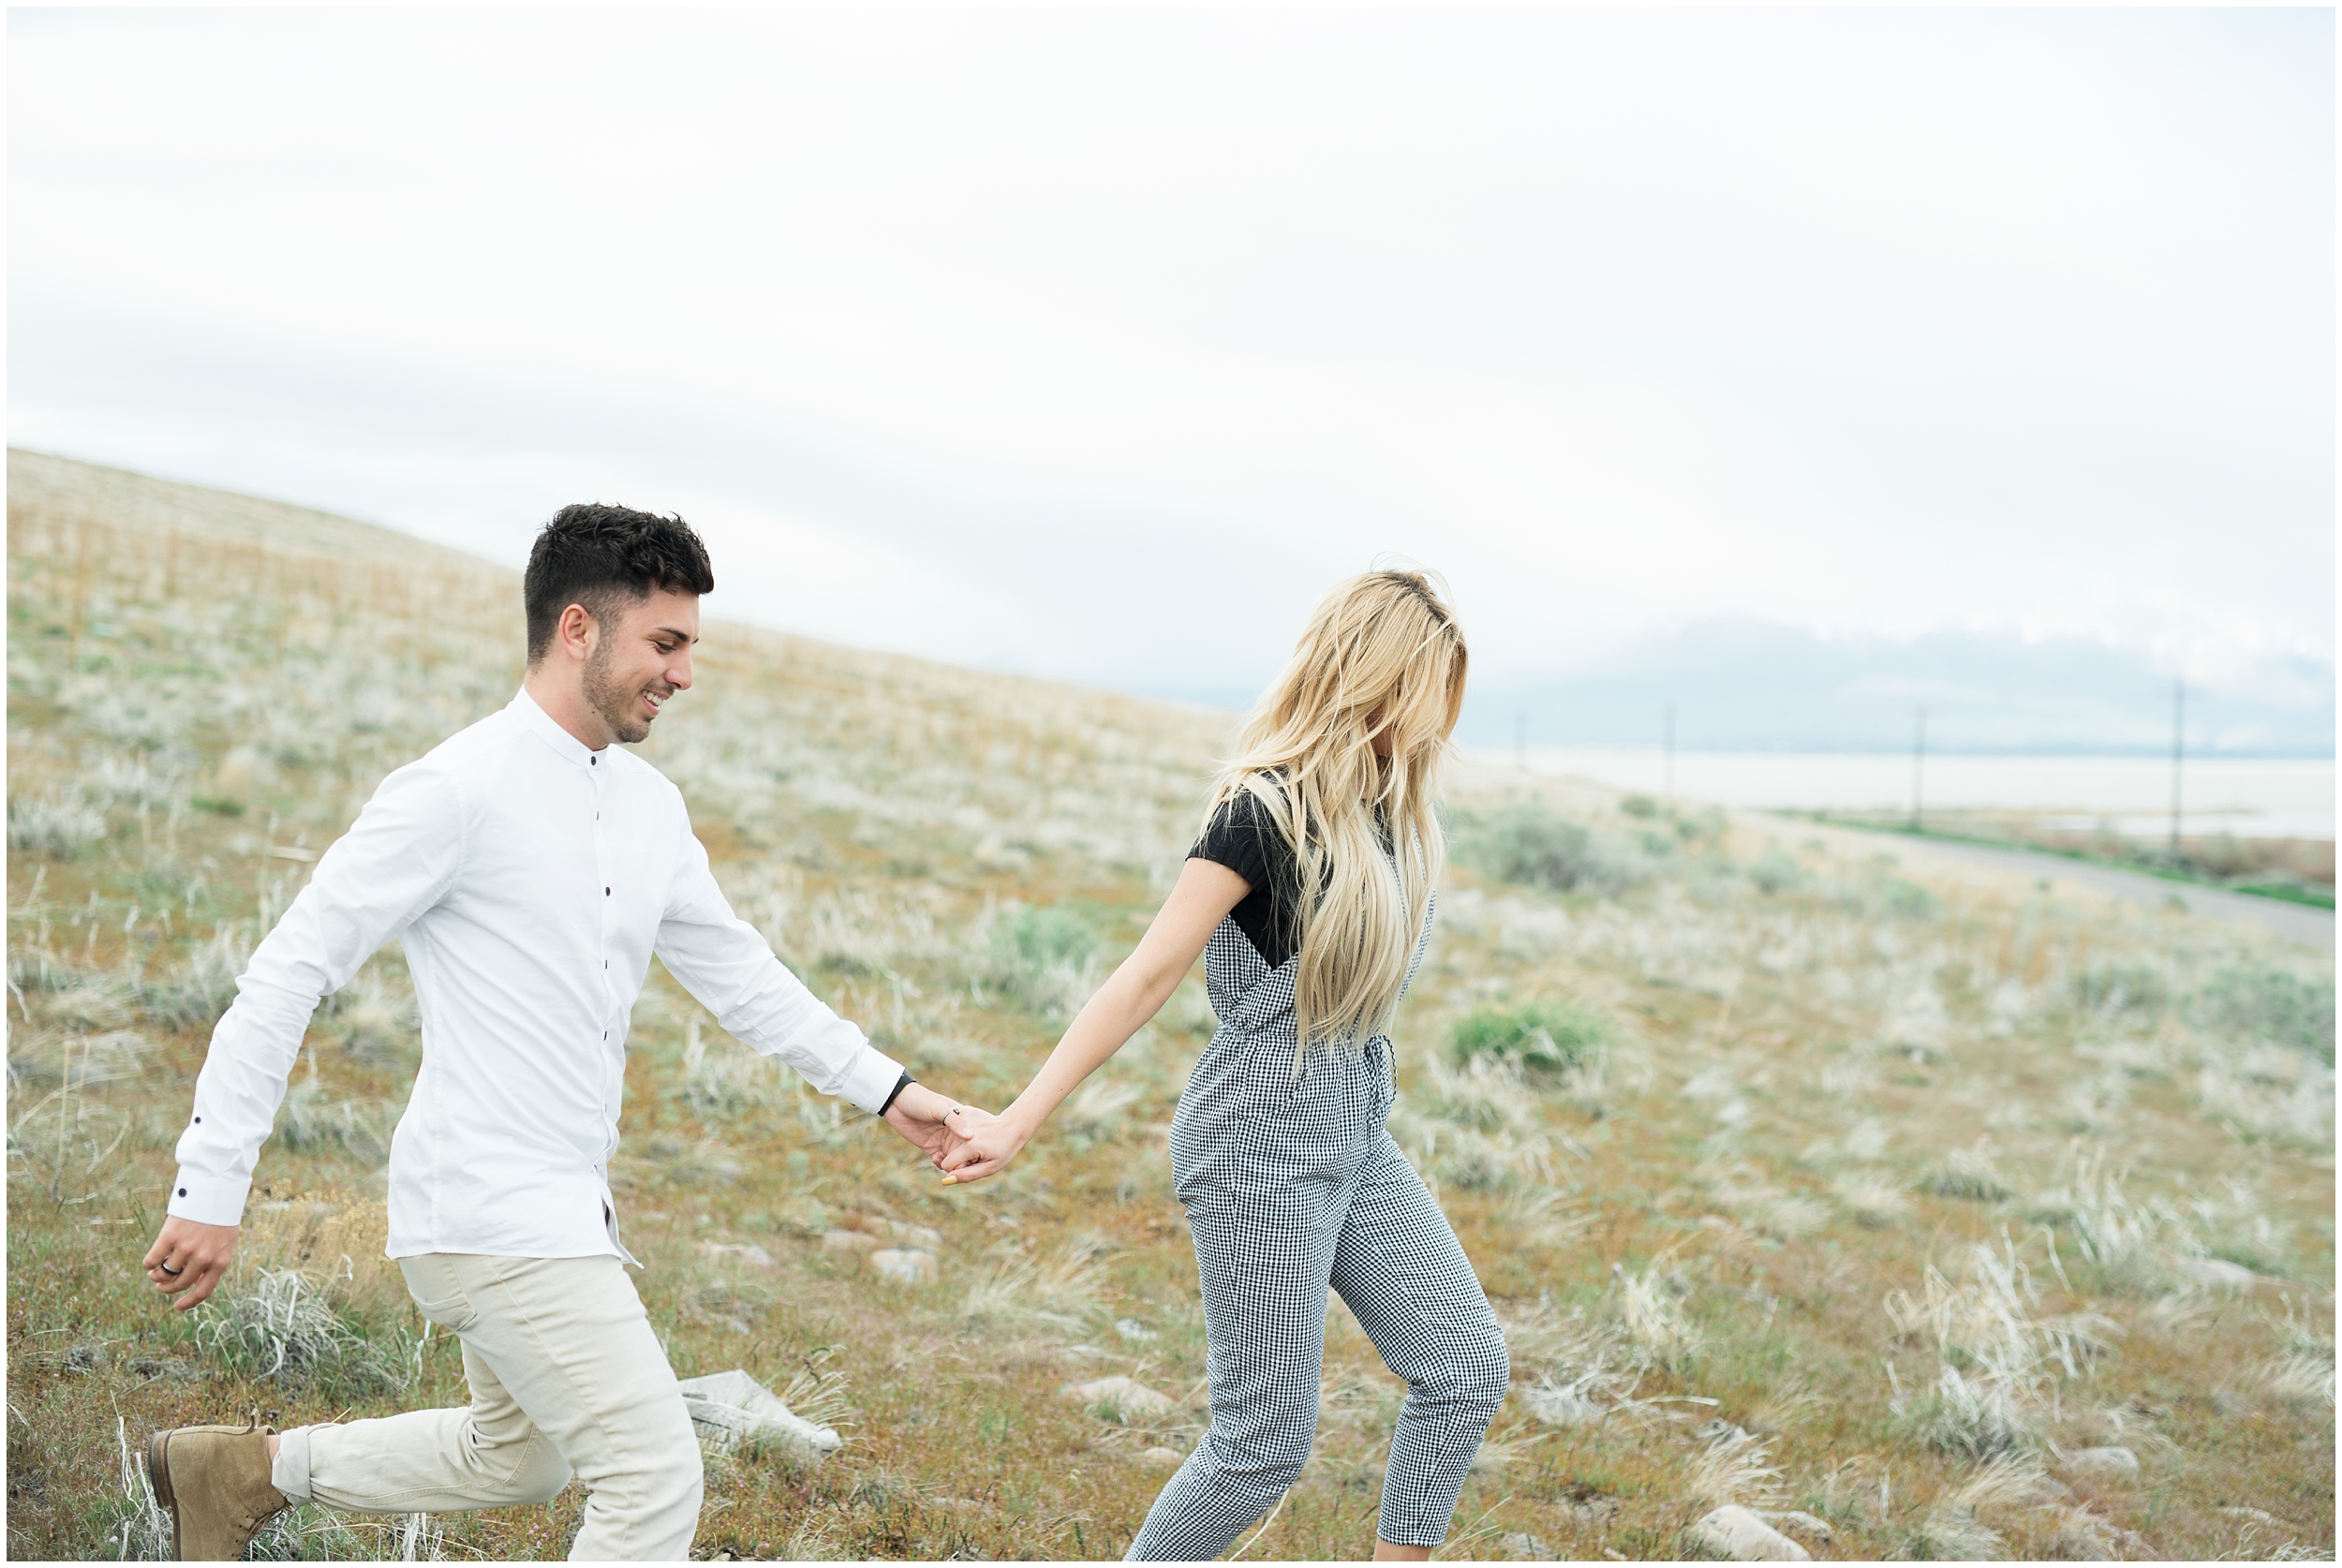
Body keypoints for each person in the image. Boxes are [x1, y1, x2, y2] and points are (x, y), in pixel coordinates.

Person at [140, 504, 974, 1562]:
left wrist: (891, 1094)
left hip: (566, 1204)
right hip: (485, 1210)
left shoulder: (650, 807)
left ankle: (242, 1475)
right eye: (664, 644)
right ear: (577, 628)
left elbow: (744, 980)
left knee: (517, 1456)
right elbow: (285, 974)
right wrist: (210, 1190)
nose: (683, 674)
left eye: (691, 648)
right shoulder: (454, 789)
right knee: (653, 1474)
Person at [938, 569, 1509, 1561]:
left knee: (1464, 1365)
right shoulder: (1262, 812)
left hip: (1353, 1128)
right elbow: (1144, 976)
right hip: (1256, 1138)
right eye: (1423, 697)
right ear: (1370, 678)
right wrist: (1017, 1118)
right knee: (1261, 1448)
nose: (1431, 728)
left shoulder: (1399, 821)